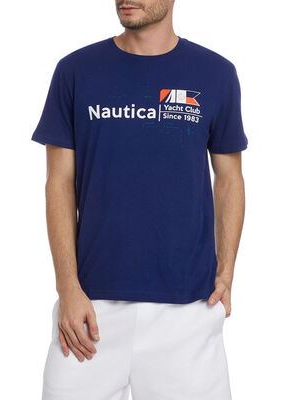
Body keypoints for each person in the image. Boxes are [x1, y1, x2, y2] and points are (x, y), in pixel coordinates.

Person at [31, 1, 248, 398]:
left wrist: (227, 272)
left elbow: (229, 178)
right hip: (89, 309)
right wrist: (67, 288)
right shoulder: (75, 71)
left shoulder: (215, 73)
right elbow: (58, 182)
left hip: (187, 311)